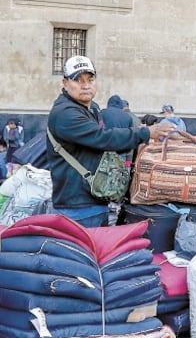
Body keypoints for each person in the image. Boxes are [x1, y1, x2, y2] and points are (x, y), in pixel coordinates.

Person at [48, 56, 174, 227]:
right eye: (78, 80)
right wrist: (146, 132)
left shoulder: (88, 108)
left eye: (90, 79)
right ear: (65, 83)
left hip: (91, 199)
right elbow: (103, 137)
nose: (85, 85)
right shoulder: (65, 114)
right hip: (77, 206)